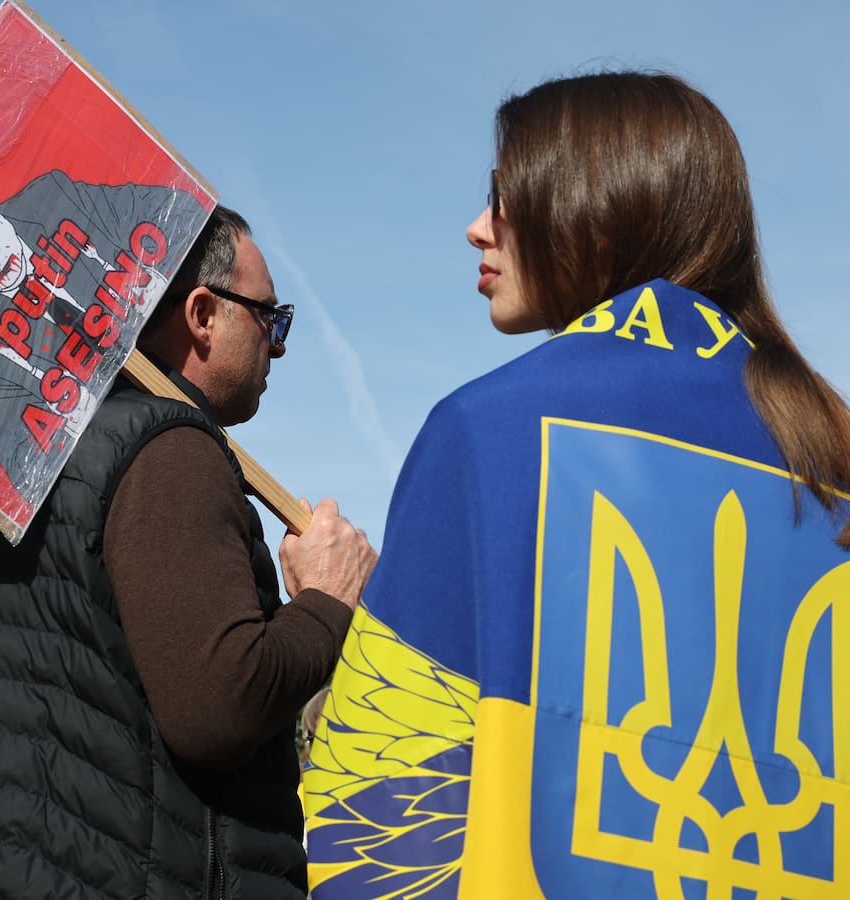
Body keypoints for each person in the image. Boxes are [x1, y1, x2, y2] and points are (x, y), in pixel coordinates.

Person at [304, 72, 850, 899]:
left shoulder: (491, 430)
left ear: (595, 210)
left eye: (504, 196)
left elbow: (375, 805)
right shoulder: (830, 451)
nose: (476, 228)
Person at [0, 205, 377, 899]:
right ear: (202, 313)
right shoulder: (166, 447)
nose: (279, 345)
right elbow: (218, 707)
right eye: (271, 317)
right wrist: (326, 600)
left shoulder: (10, 468)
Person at [0, 162, 208, 501]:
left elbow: (181, 213)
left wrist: (151, 275)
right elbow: (25, 467)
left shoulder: (53, 197)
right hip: (143, 462)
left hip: (185, 372)